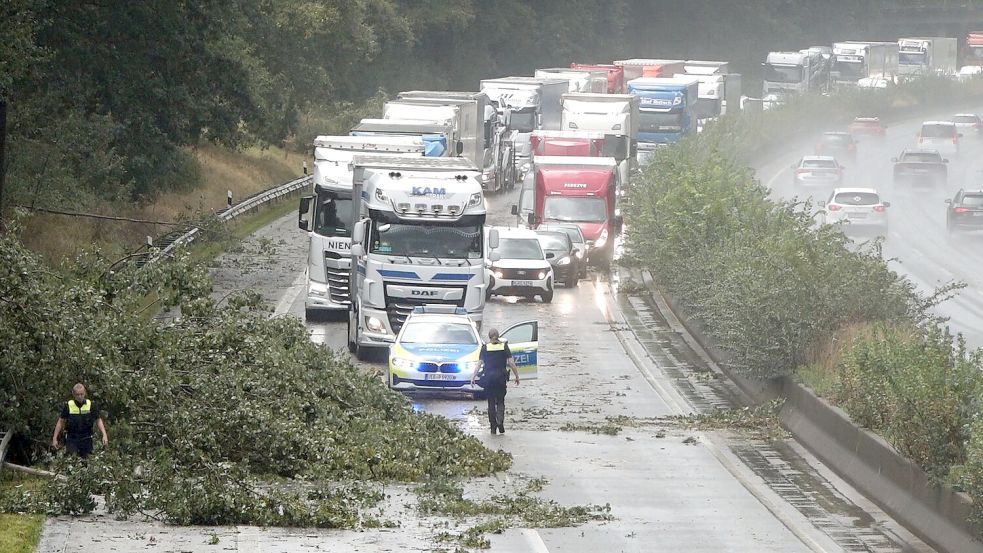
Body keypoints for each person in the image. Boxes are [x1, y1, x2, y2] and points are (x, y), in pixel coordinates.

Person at [471, 328, 520, 434]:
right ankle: (500, 421)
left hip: (489, 378)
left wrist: (473, 377)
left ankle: (493, 427)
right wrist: (517, 376)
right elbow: (511, 363)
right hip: (501, 378)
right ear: (498, 336)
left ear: (489, 337)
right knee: (501, 401)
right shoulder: (504, 346)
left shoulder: (485, 347)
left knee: (491, 403)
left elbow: (479, 363)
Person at [52, 383, 108, 458]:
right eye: (77, 394)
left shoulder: (90, 405)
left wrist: (104, 435)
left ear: (84, 393)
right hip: (72, 439)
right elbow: (60, 421)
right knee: (72, 461)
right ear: (73, 394)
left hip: (86, 439)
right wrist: (54, 438)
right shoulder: (69, 405)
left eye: (81, 394)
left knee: (87, 462)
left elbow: (98, 420)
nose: (80, 396)